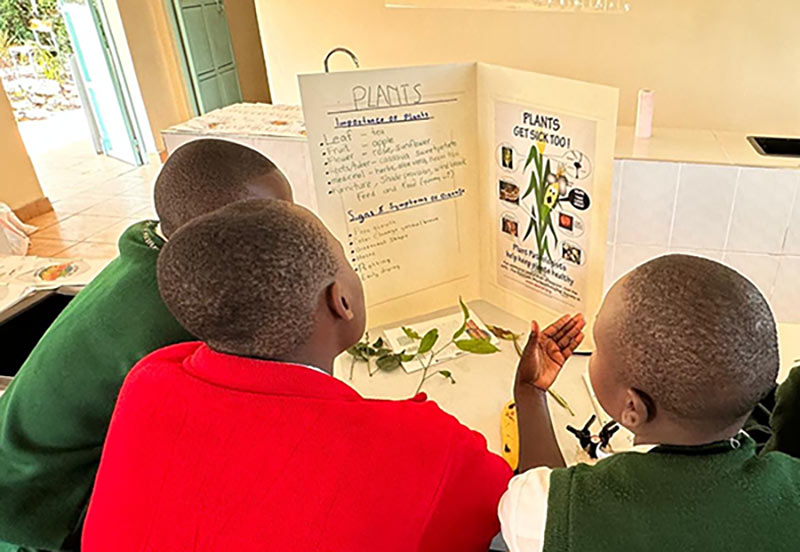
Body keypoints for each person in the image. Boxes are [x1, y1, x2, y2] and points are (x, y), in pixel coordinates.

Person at [81, 200, 512, 552]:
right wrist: (529, 395)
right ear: (340, 299)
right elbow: (535, 512)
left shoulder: (150, 380)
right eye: (345, 258)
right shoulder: (424, 445)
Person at [0, 139, 292, 552]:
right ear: (209, 236)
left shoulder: (149, 249)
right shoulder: (178, 310)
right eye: (270, 223)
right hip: (38, 510)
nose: (287, 232)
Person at [499, 254, 800, 552]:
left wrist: (529, 392)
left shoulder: (544, 511)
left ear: (632, 410)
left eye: (598, 347)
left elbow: (542, 502)